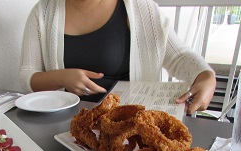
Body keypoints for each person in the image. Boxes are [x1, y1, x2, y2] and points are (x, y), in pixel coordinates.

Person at [19, 0, 216, 114]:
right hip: (67, 128)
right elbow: (27, 76)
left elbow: (180, 57)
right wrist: (62, 77)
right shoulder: (42, 14)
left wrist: (206, 76)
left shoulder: (141, 9)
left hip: (129, 128)